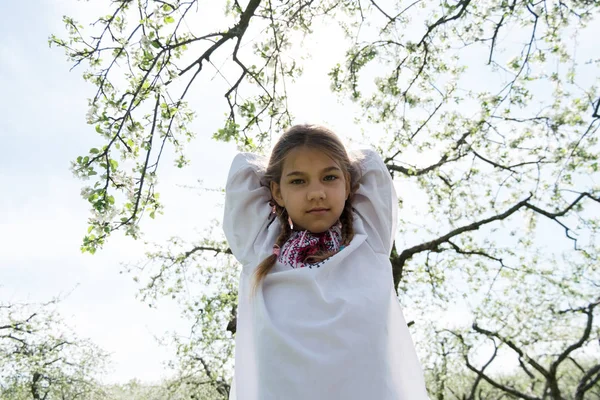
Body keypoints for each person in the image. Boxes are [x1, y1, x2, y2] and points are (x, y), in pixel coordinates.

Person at [223, 124, 429, 400]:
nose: (316, 193)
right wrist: (289, 157)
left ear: (349, 185)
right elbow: (243, 168)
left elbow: (371, 163)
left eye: (329, 177)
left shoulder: (368, 237)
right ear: (277, 192)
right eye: (298, 181)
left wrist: (324, 163)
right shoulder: (260, 247)